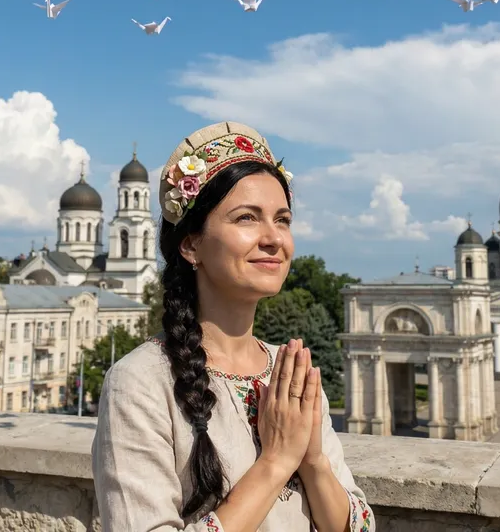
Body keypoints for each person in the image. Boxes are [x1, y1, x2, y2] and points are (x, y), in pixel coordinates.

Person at [92, 121, 374, 532]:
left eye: (282, 219)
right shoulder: (140, 383)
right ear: (191, 245)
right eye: (246, 218)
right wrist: (276, 462)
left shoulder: (288, 370)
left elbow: (357, 526)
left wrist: (312, 460)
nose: (273, 238)